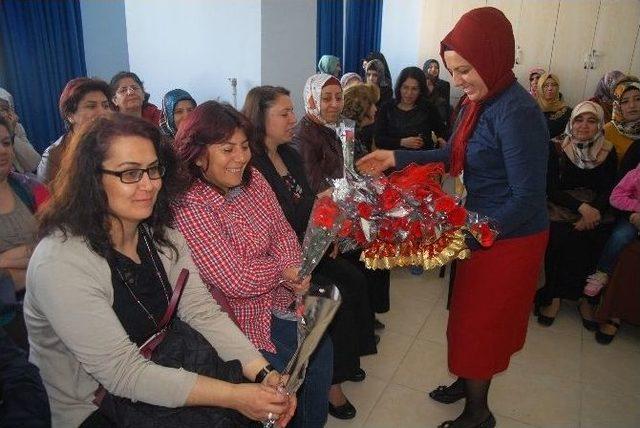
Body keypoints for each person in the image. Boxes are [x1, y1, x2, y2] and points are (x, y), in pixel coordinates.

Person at [24, 113, 295, 427]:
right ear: (92, 180)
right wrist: (236, 396)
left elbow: (201, 312)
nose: (148, 185)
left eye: (153, 170)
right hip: (95, 405)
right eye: (130, 174)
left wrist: (263, 374)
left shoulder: (159, 235)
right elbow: (123, 373)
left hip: (160, 364)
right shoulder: (61, 261)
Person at [357, 8, 549, 428]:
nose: (457, 79)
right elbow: (453, 155)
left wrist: (468, 231)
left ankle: (479, 414)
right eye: (452, 70)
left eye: (465, 69)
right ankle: (468, 381)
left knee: (483, 324)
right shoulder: (476, 103)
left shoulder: (516, 113)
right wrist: (396, 156)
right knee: (465, 315)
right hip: (482, 227)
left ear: (494, 56)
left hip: (509, 238)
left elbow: (527, 199)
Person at [171, 101, 332, 428]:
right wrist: (282, 271)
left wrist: (294, 269)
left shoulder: (253, 178)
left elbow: (283, 230)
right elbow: (236, 279)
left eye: (244, 146)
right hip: (233, 318)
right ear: (199, 153)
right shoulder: (190, 203)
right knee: (287, 379)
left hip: (276, 299)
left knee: (321, 349)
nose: (241, 157)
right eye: (227, 149)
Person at [244, 85, 378, 420]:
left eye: (292, 111)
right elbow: (277, 222)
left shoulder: (289, 153)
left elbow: (308, 203)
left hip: (306, 247)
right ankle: (333, 386)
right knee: (339, 294)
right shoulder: (253, 165)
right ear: (261, 118)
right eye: (284, 113)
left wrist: (326, 229)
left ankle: (347, 362)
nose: (293, 118)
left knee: (354, 278)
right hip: (285, 261)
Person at [294, 73, 390, 336]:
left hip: (342, 216)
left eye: (338, 97)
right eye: (326, 98)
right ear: (312, 99)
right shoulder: (305, 136)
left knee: (374, 253)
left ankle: (365, 327)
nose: (335, 104)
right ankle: (359, 335)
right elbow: (316, 188)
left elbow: (344, 172)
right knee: (357, 274)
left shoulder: (330, 128)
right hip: (322, 225)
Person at [536, 101, 617, 329]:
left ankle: (585, 301)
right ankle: (554, 298)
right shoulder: (557, 147)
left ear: (600, 124)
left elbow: (610, 188)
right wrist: (582, 209)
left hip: (596, 208)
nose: (584, 126)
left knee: (598, 237)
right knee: (559, 237)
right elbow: (550, 188)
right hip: (563, 206)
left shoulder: (607, 150)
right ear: (571, 122)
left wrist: (594, 211)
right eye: (579, 120)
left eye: (592, 121)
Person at [585, 160, 640, 343]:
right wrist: (636, 211)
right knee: (620, 237)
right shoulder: (636, 172)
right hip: (634, 217)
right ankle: (602, 272)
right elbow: (616, 196)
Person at [0, 117, 49, 299]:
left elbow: (59, 245)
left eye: (6, 143)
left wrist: (4, 261)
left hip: (46, 300)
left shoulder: (31, 188)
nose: (2, 150)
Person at [37, 77, 112, 184]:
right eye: (91, 106)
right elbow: (44, 198)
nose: (102, 112)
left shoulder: (117, 144)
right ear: (70, 115)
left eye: (105, 106)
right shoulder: (54, 156)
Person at [375, 66, 446, 151]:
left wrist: (441, 140)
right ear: (399, 87)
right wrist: (401, 142)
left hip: (422, 159)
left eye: (414, 89)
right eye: (405, 87)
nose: (409, 93)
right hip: (393, 159)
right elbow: (378, 140)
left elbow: (443, 132)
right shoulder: (387, 107)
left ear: (421, 90)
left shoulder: (428, 107)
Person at [0, 89, 40, 173]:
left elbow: (34, 164)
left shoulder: (16, 127)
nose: (2, 114)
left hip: (17, 180)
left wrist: (11, 134)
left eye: (4, 109)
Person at [604, 77, 640, 164]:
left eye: (638, 99)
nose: (632, 105)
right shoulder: (607, 132)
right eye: (625, 101)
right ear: (617, 105)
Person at [536, 73, 572, 139]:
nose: (550, 89)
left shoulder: (567, 112)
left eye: (554, 85)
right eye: (545, 85)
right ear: (540, 88)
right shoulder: (532, 108)